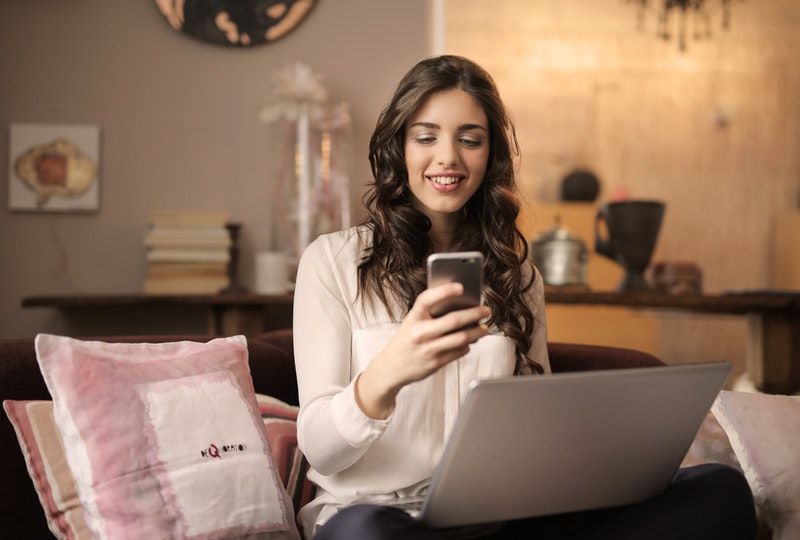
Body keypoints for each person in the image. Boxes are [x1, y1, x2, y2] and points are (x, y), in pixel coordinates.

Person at [292, 55, 756, 539]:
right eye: (426, 137)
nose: (448, 157)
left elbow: (535, 427)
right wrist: (389, 372)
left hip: (495, 519)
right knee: (364, 534)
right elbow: (321, 448)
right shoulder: (334, 263)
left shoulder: (519, 277)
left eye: (469, 139)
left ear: (489, 156)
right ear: (398, 149)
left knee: (720, 490)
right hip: (381, 517)